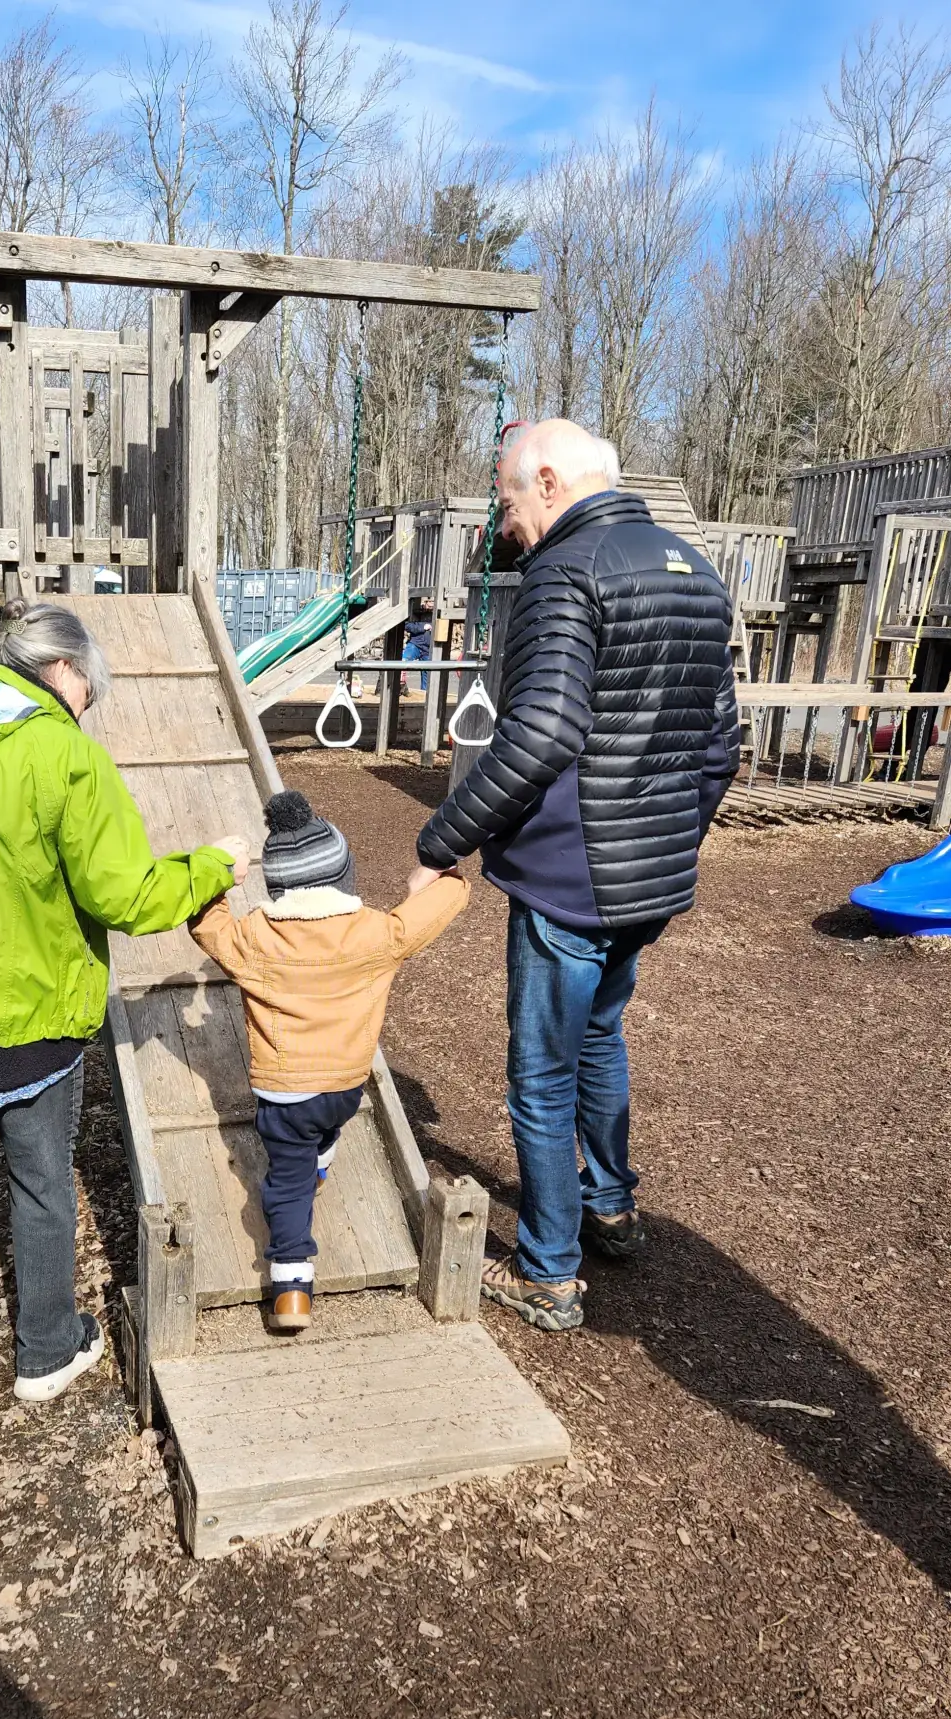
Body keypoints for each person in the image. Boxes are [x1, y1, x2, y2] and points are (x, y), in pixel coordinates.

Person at [0, 598, 248, 1466]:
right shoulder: (64, 755)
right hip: (29, 1024)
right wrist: (215, 864)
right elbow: (125, 895)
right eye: (89, 683)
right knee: (40, 1184)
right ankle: (47, 1353)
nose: (88, 699)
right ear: (63, 669)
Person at [411, 419, 739, 1333]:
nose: (508, 523)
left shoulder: (566, 571)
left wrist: (443, 839)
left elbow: (543, 733)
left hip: (572, 882)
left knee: (543, 1073)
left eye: (510, 500)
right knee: (600, 1034)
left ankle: (549, 1271)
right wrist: (671, 837)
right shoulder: (695, 570)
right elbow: (721, 747)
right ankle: (611, 1205)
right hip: (650, 880)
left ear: (549, 482)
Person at [190, 789, 467, 1333]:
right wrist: (443, 878)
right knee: (325, 1130)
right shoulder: (376, 932)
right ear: (344, 876)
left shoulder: (253, 938)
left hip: (285, 1094)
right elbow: (434, 910)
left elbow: (206, 925)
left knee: (286, 1184)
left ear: (277, 886)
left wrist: (221, 874)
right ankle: (321, 1162)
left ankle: (292, 1285)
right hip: (345, 1087)